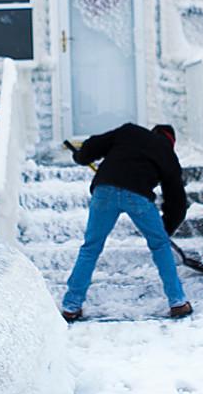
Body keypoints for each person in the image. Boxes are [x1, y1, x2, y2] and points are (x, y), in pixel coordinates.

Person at [61, 123, 192, 322]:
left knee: (91, 248)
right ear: (171, 142)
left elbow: (94, 144)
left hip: (104, 192)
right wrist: (165, 229)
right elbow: (177, 202)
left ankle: (71, 306)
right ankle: (178, 303)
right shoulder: (168, 155)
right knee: (160, 246)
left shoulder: (130, 131)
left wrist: (81, 156)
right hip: (138, 197)